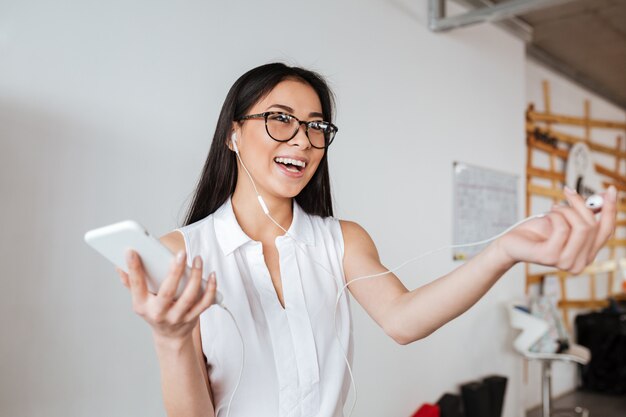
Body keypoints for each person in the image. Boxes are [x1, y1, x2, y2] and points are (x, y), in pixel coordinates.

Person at [115, 63, 617, 417]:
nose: (302, 140)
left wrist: (505, 249)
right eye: (280, 119)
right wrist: (171, 340)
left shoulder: (342, 240)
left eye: (316, 127)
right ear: (232, 133)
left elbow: (403, 321)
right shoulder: (182, 253)